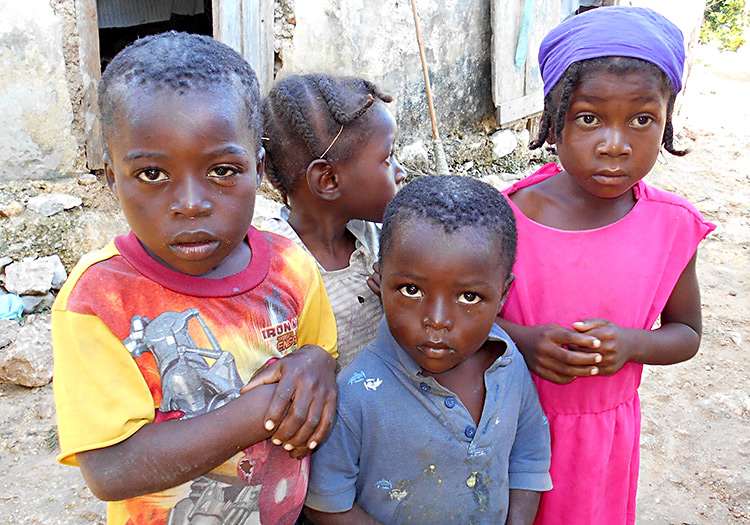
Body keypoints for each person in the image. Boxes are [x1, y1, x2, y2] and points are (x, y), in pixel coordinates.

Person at [52, 32, 339, 525]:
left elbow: (322, 359)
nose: (190, 203)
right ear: (110, 176)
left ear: (259, 168)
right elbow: (111, 469)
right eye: (151, 174)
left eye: (223, 170)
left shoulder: (292, 269)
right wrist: (264, 410)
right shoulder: (98, 300)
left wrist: (314, 363)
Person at [497, 7, 716, 524]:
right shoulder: (505, 218)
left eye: (642, 120)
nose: (614, 145)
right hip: (507, 430)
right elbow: (466, 317)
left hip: (602, 447)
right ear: (553, 121)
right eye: (589, 118)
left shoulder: (671, 226)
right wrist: (522, 342)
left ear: (667, 122)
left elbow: (686, 333)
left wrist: (632, 345)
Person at [303, 176, 553, 524]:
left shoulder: (507, 363)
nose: (436, 321)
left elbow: (529, 456)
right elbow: (325, 502)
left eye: (468, 297)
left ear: (503, 294)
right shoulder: (356, 394)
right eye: (410, 290)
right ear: (379, 278)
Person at [261, 74, 406, 369]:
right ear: (328, 180)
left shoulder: (382, 240)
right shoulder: (275, 270)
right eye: (388, 157)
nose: (401, 171)